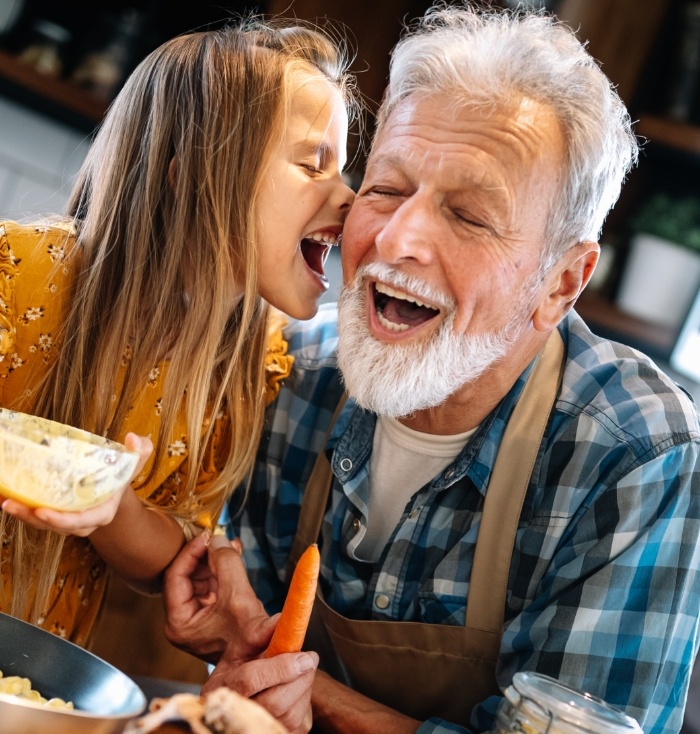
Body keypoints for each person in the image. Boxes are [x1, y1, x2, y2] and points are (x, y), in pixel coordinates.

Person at [163, 4, 700, 734]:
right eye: (386, 188)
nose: (398, 235)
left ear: (561, 283)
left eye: (469, 216)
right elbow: (240, 678)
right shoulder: (291, 375)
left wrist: (310, 696)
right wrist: (237, 636)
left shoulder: (636, 453)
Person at [0, 16, 356, 648]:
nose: (350, 197)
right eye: (313, 165)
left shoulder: (249, 361)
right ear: (193, 174)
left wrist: (110, 505)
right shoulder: (21, 277)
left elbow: (168, 560)